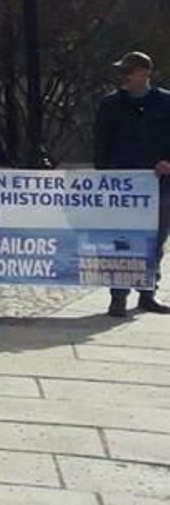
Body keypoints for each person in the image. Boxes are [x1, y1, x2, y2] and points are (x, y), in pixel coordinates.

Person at [93, 51, 170, 318]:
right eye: (122, 70)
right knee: (121, 243)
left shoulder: (165, 102)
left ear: (145, 74)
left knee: (154, 242)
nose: (124, 76)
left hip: (160, 187)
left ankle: (148, 293)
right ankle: (118, 297)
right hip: (122, 190)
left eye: (129, 70)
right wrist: (105, 176)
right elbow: (100, 144)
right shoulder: (111, 104)